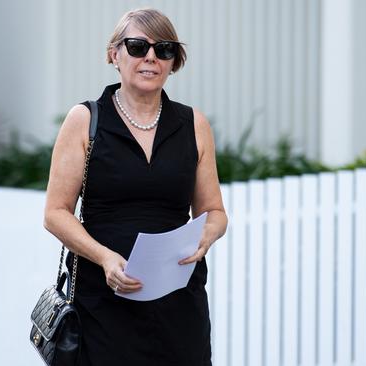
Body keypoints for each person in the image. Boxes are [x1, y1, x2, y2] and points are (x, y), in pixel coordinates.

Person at [43, 8, 228, 365]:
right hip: (103, 304)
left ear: (174, 61)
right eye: (137, 46)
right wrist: (105, 259)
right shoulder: (85, 120)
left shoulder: (193, 124)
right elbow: (54, 214)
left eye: (164, 49)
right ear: (114, 54)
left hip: (178, 303)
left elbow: (214, 212)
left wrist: (206, 236)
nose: (151, 58)